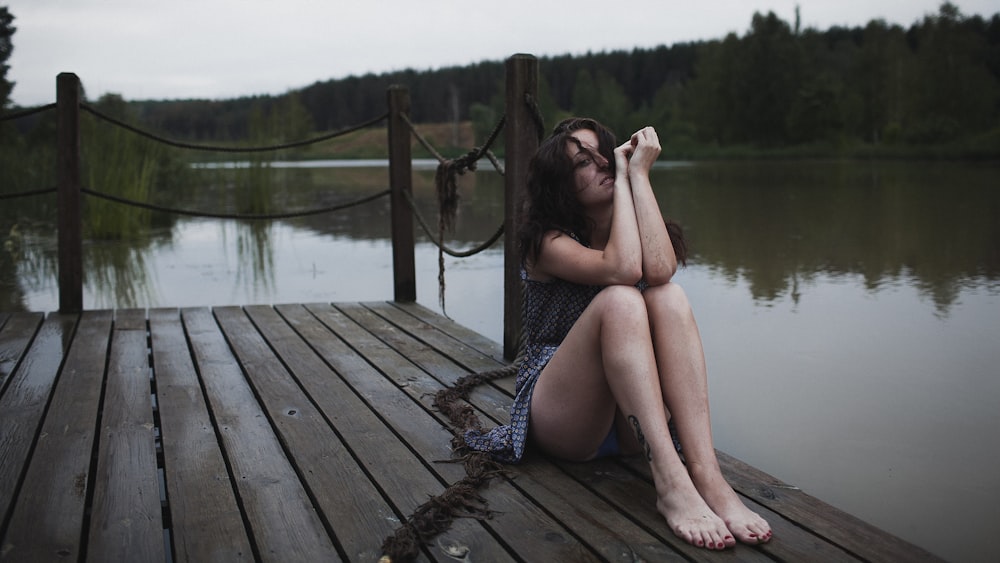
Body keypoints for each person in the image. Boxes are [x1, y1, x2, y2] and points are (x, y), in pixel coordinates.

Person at [463, 117, 772, 550]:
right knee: (621, 300)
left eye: (603, 155)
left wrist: (637, 175)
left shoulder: (630, 214)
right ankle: (671, 484)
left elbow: (660, 270)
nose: (602, 165)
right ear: (560, 185)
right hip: (567, 416)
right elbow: (622, 270)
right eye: (582, 163)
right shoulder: (547, 241)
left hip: (633, 416)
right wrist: (626, 179)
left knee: (669, 297)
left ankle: (707, 476)